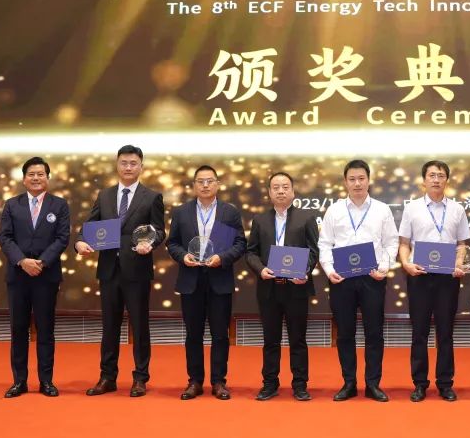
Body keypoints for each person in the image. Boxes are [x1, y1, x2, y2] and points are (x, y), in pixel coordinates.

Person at [75, 145, 165, 398]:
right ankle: (107, 377)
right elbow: (90, 225)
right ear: (117, 165)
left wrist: (151, 243)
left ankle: (140, 378)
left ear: (141, 167)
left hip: (137, 269)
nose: (128, 167)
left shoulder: (152, 197)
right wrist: (80, 242)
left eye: (133, 163)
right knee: (109, 326)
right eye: (124, 163)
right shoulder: (104, 195)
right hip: (108, 270)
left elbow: (160, 230)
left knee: (140, 326)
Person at [318, 160, 399, 402]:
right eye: (352, 179)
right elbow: (325, 244)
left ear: (369, 180)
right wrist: (329, 270)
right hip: (342, 279)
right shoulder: (334, 211)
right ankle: (349, 383)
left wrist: (384, 267)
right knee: (345, 333)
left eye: (361, 178)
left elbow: (391, 243)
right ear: (345, 182)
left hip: (372, 278)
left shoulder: (382, 210)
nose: (357, 183)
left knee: (374, 333)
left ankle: (373, 384)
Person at [166, 165, 246, 400]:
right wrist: (183, 256)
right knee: (193, 334)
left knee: (220, 334)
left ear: (217, 184)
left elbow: (240, 244)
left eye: (210, 181)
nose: (205, 185)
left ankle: (219, 381)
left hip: (219, 279)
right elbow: (172, 243)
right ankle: (195, 381)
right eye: (200, 181)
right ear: (194, 186)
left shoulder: (230, 212)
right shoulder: (181, 212)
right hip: (191, 280)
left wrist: (222, 258)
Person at [397, 160, 470, 402]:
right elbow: (404, 243)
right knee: (419, 332)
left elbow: (462, 244)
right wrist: (406, 264)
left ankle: (445, 383)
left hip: (447, 278)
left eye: (440, 175)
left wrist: (459, 264)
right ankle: (419, 383)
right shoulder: (412, 208)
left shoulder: (457, 209)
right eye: (432, 175)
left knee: (445, 332)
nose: (436, 179)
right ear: (424, 180)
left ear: (447, 180)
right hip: (419, 276)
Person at [0, 156, 70, 398]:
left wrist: (41, 262)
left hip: (46, 276)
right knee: (18, 329)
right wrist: (22, 261)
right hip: (18, 276)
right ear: (24, 179)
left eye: (40, 174)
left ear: (48, 178)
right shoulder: (12, 205)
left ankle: (46, 381)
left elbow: (62, 238)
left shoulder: (59, 205)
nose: (36, 178)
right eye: (31, 174)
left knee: (46, 330)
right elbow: (5, 237)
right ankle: (19, 381)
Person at [245, 172, 320, 401]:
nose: (280, 191)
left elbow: (313, 251)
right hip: (269, 288)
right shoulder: (260, 220)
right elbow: (251, 252)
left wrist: (304, 271)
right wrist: (260, 269)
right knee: (271, 339)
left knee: (298, 339)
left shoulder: (306, 218)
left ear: (293, 191)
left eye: (285, 187)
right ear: (269, 192)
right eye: (276, 187)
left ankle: (300, 384)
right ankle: (269, 383)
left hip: (296, 288)